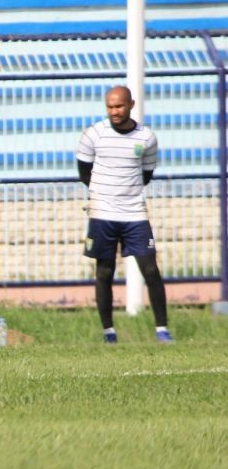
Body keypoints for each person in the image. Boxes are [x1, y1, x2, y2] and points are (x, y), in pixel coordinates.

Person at [77, 85, 172, 344]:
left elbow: (146, 174)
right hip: (102, 213)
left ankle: (162, 330)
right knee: (104, 272)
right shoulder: (93, 134)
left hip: (135, 213)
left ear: (130, 104)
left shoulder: (147, 138)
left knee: (150, 269)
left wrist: (126, 194)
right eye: (110, 106)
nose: (114, 111)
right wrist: (105, 195)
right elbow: (85, 173)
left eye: (119, 106)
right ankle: (109, 332)